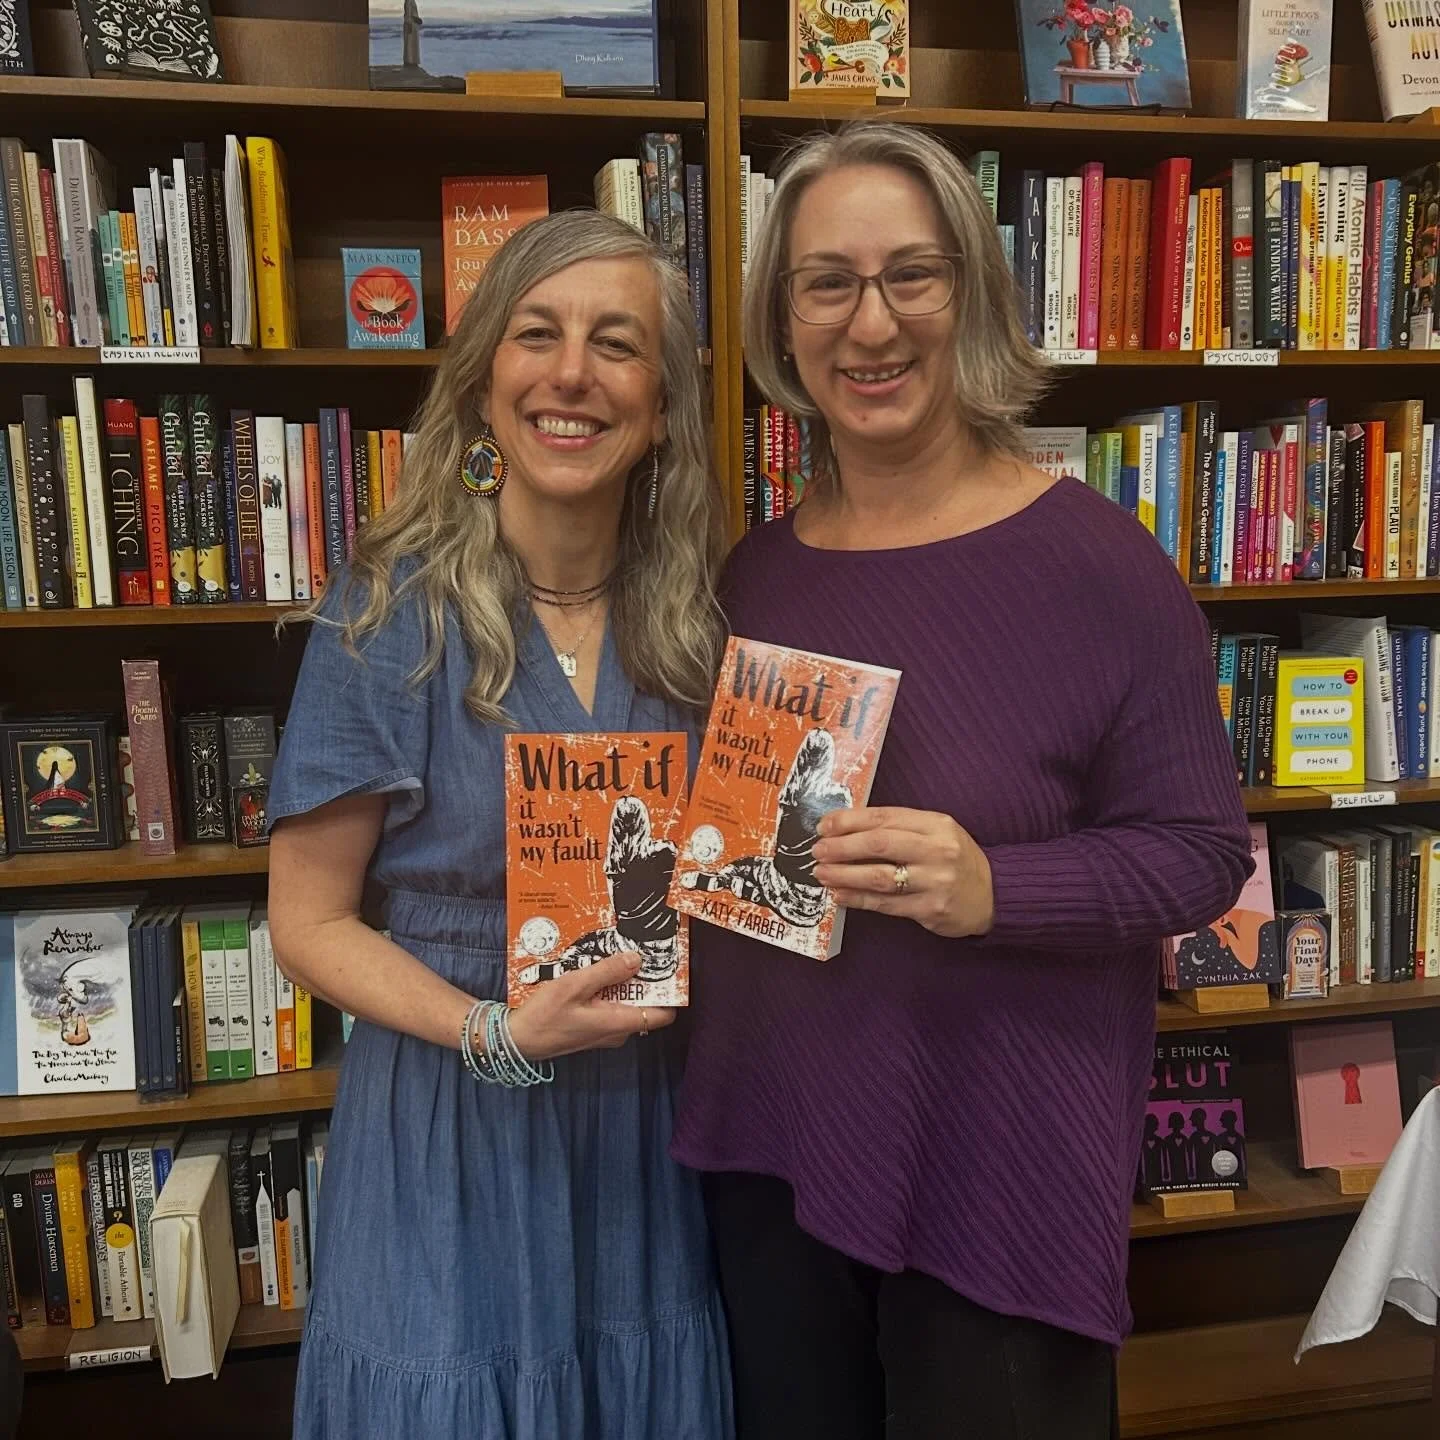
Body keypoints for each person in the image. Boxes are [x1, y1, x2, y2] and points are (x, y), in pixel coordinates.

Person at [670, 119, 1253, 1440]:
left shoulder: (1100, 567)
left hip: (1001, 1166)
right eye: (828, 281)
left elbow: (1201, 851)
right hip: (774, 1150)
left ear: (973, 296)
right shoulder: (748, 575)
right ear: (783, 317)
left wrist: (999, 884)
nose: (870, 324)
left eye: (910, 276)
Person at [267, 208, 732, 1440]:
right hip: (450, 1118)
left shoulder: (701, 628)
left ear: (665, 405)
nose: (572, 373)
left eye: (617, 343)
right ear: (484, 388)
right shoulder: (385, 617)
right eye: (538, 334)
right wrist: (490, 1031)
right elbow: (305, 922)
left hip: (642, 1123)